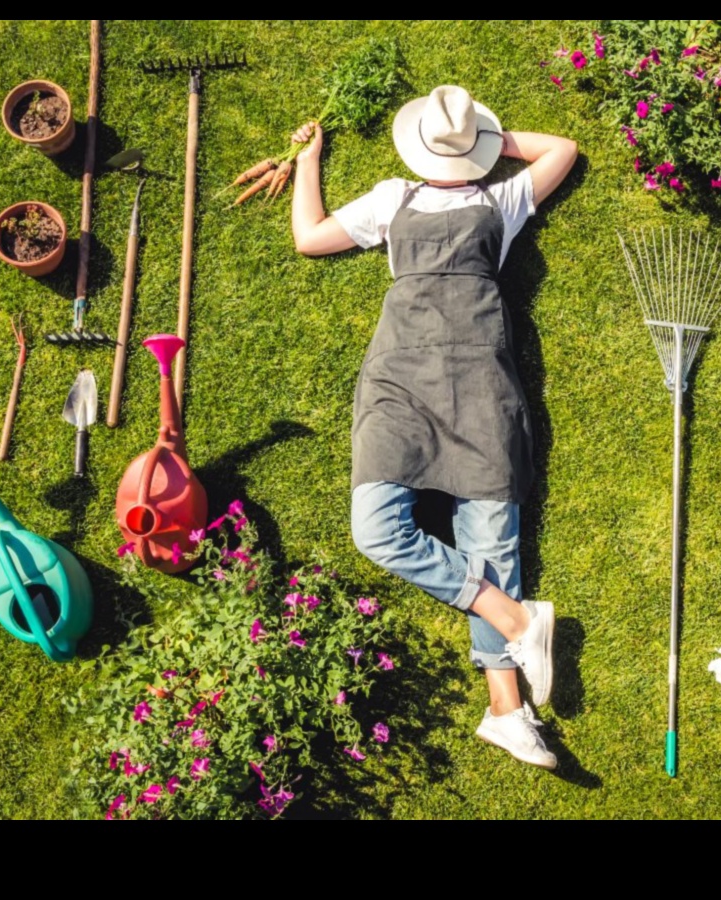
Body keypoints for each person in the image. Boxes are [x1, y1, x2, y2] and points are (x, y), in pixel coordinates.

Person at [291, 85, 578, 769]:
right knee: (376, 529)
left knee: (492, 539)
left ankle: (508, 710)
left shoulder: (500, 201)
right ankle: (515, 619)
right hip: (402, 381)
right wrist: (310, 160)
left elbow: (565, 151)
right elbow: (310, 239)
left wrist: (481, 148)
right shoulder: (396, 197)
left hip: (481, 379)